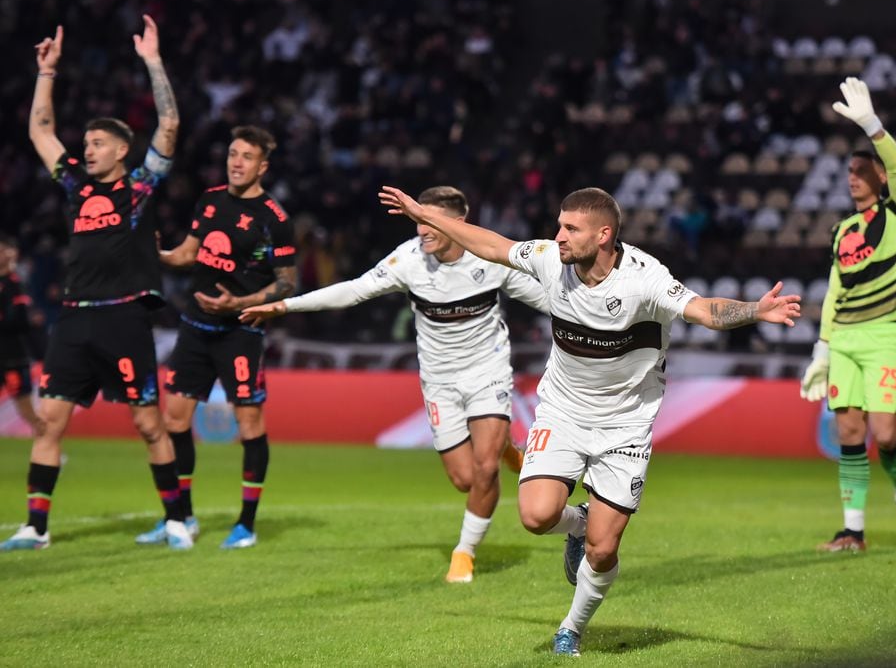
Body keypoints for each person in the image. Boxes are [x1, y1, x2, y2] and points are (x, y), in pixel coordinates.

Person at [379, 184, 800, 655]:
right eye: (559, 225)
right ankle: (575, 524)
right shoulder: (549, 259)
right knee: (536, 516)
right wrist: (425, 215)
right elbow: (492, 244)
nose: (557, 235)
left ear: (603, 235)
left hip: (626, 424)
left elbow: (702, 308)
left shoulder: (644, 278)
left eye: (569, 228)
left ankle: (571, 628)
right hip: (562, 412)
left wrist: (754, 311)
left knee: (603, 550)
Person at [241, 186, 549, 582]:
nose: (421, 231)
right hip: (438, 381)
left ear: (457, 223)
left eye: (428, 221)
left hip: (487, 373)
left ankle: (464, 552)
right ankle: (505, 447)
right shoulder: (409, 259)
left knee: (485, 469)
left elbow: (548, 301)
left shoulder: (489, 259)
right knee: (465, 480)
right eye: (416, 221)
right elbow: (354, 290)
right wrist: (285, 305)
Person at [1, 16, 192, 551]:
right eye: (85, 142)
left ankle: (177, 520)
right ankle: (35, 527)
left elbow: (170, 127)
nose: (87, 149)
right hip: (74, 317)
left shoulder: (141, 187)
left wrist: (153, 61)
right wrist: (47, 72)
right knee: (47, 424)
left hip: (125, 314)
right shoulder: (76, 188)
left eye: (98, 142)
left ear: (121, 152)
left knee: (149, 425)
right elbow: (40, 131)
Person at [136, 126, 297, 550]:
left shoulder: (274, 220)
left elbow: (287, 285)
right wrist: (159, 254)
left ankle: (246, 524)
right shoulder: (209, 201)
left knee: (249, 425)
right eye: (232, 153)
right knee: (174, 420)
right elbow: (188, 254)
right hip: (195, 326)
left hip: (240, 332)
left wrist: (238, 303)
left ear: (263, 166)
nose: (236, 162)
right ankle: (182, 517)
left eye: (246, 156)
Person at [800, 77, 896, 553]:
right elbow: (834, 291)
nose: (853, 176)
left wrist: (873, 126)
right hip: (846, 339)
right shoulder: (842, 231)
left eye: (861, 170)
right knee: (850, 433)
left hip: (886, 336)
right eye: (849, 171)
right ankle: (853, 530)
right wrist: (822, 347)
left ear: (881, 178)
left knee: (885, 433)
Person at [0, 235, 43, 438]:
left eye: (2, 251)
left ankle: (51, 452)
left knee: (26, 409)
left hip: (14, 356)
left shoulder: (15, 283)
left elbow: (21, 320)